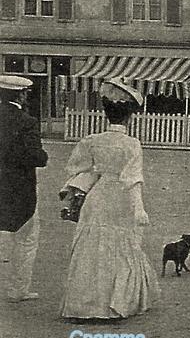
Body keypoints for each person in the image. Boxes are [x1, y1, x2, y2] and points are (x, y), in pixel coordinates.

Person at [61, 79, 159, 320]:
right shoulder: (131, 144)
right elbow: (132, 179)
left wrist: (74, 192)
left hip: (99, 195)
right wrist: (139, 209)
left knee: (92, 245)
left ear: (107, 114)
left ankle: (84, 305)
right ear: (129, 117)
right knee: (121, 246)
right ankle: (115, 302)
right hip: (121, 199)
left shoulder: (93, 140)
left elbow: (79, 169)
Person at [0, 75, 48, 302]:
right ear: (20, 94)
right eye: (26, 93)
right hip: (19, 189)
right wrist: (43, 155)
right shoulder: (27, 122)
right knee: (26, 240)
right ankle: (18, 289)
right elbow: (35, 157)